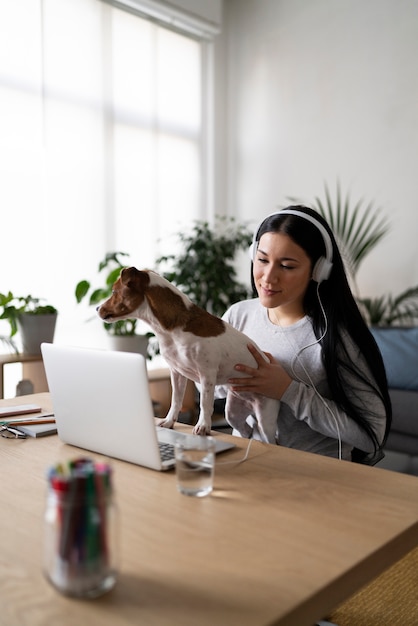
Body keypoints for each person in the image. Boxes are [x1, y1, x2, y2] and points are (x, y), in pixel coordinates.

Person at [218, 205, 392, 463]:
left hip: (313, 475)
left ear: (318, 271)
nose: (268, 277)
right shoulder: (238, 315)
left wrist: (288, 390)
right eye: (262, 259)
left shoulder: (334, 337)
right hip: (246, 463)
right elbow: (214, 391)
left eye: (287, 266)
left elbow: (372, 435)